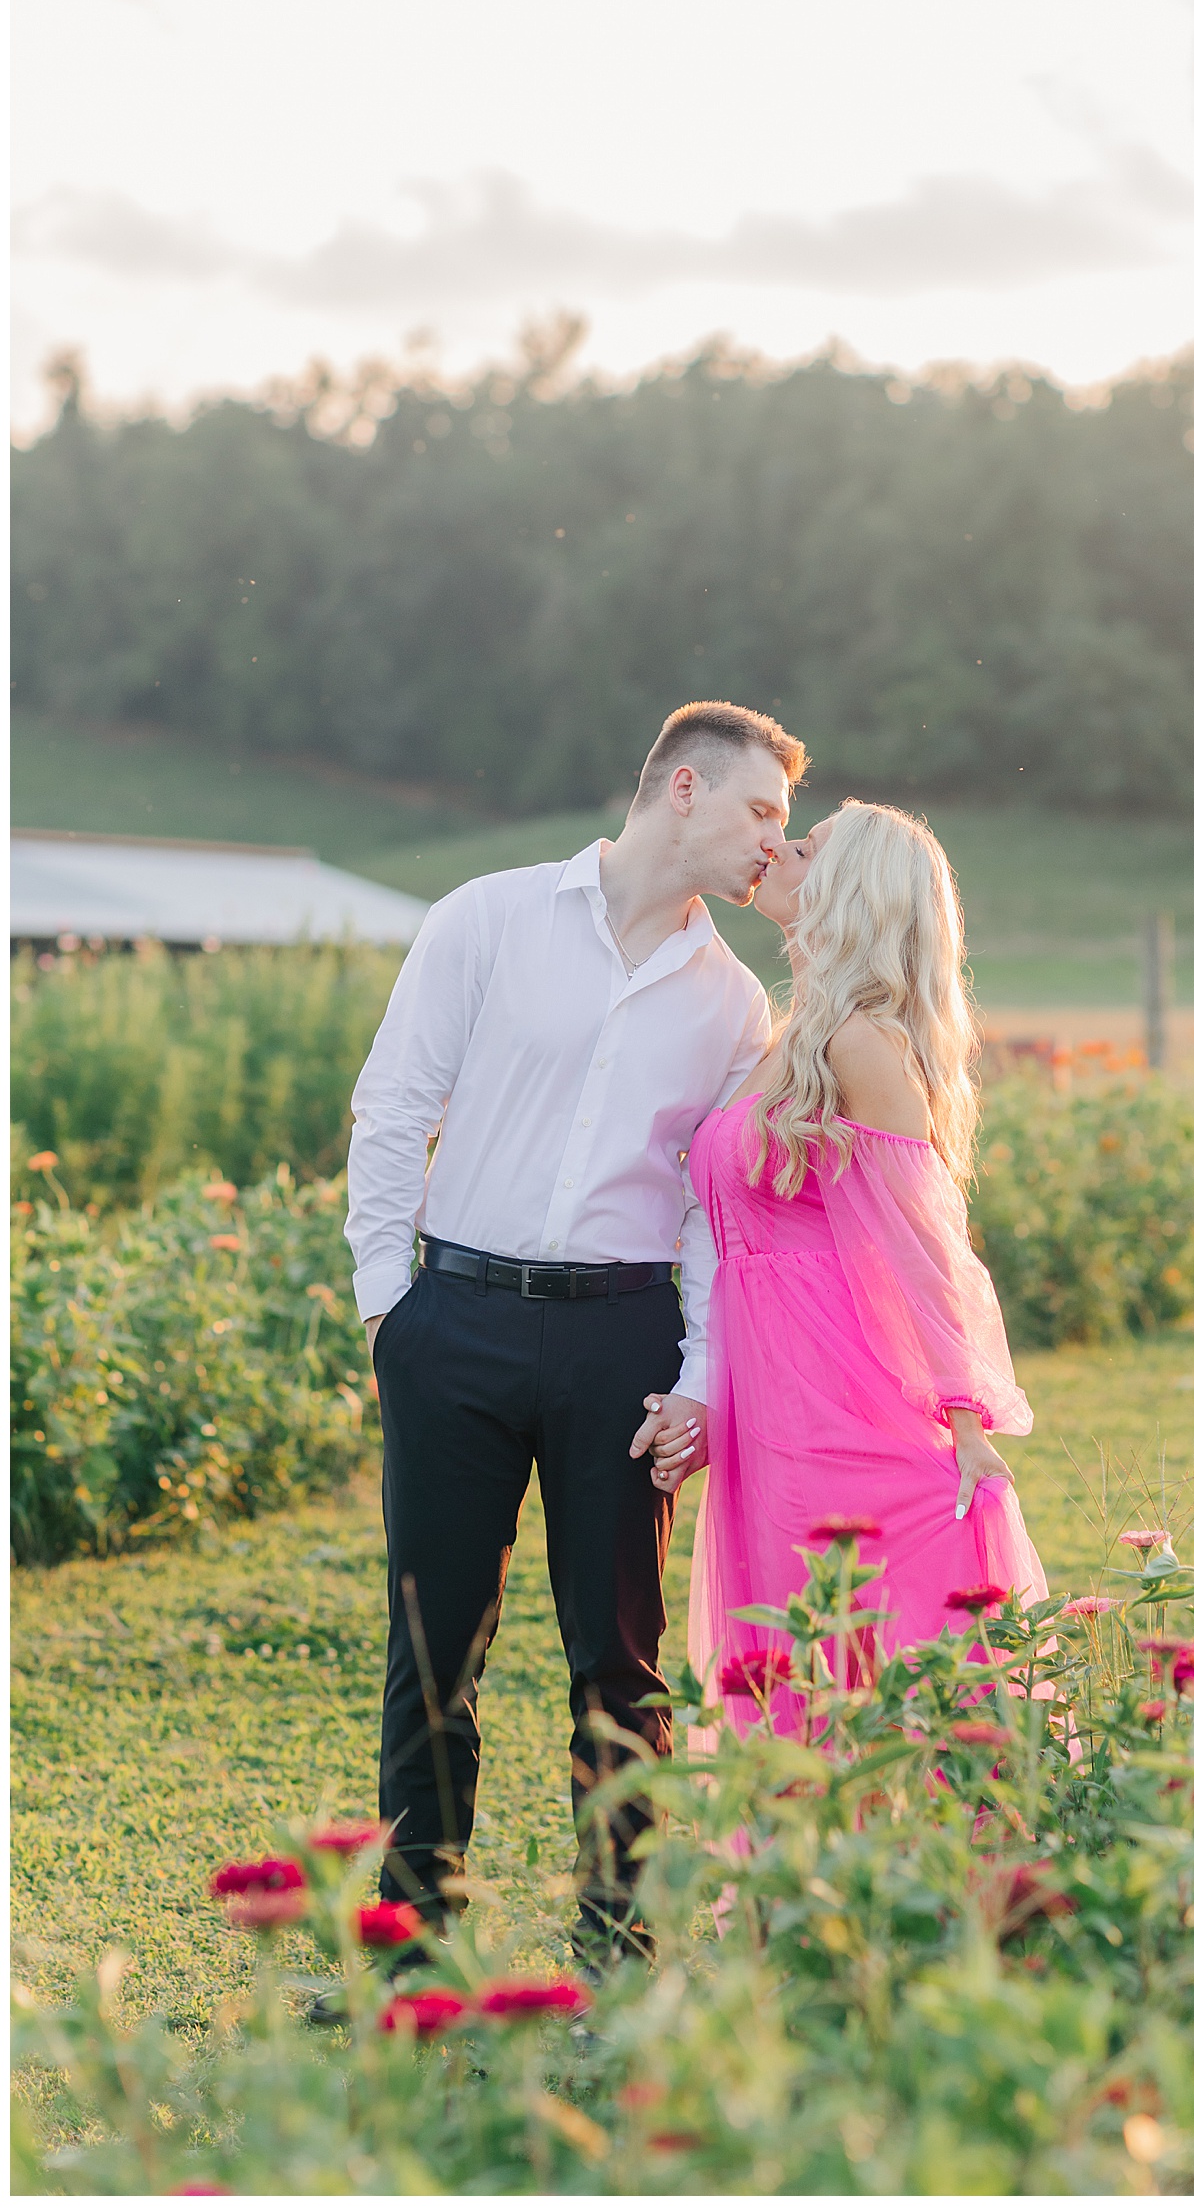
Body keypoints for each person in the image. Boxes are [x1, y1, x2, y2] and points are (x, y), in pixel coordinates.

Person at [343, 700, 806, 1970]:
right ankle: (413, 1945)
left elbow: (712, 1219)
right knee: (433, 1647)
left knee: (621, 1662)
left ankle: (619, 1943)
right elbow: (392, 1107)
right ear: (684, 792)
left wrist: (700, 1376)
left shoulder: (734, 1004)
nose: (778, 837)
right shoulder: (486, 917)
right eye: (763, 809)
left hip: (621, 1344)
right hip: (456, 1325)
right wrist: (391, 1305)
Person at [642, 802, 1047, 1733]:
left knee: (856, 1650)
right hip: (775, 1395)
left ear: (851, 891)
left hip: (840, 1395)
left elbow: (926, 1248)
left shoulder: (861, 1042)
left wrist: (965, 1417)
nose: (781, 849)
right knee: (795, 1647)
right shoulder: (794, 1032)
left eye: (808, 846)